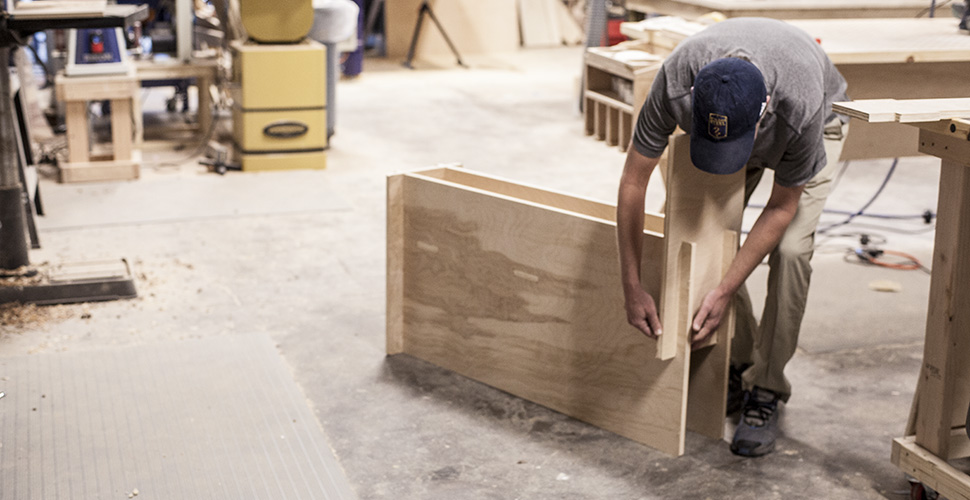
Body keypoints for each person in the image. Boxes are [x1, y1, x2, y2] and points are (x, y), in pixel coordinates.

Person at [616, 17, 849, 457]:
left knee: (791, 249)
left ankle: (766, 387)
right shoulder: (675, 80)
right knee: (699, 232)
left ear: (762, 112)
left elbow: (781, 207)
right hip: (747, 120)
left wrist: (724, 289)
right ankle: (735, 360)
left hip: (819, 128)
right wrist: (631, 284)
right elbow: (633, 180)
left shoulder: (798, 106)